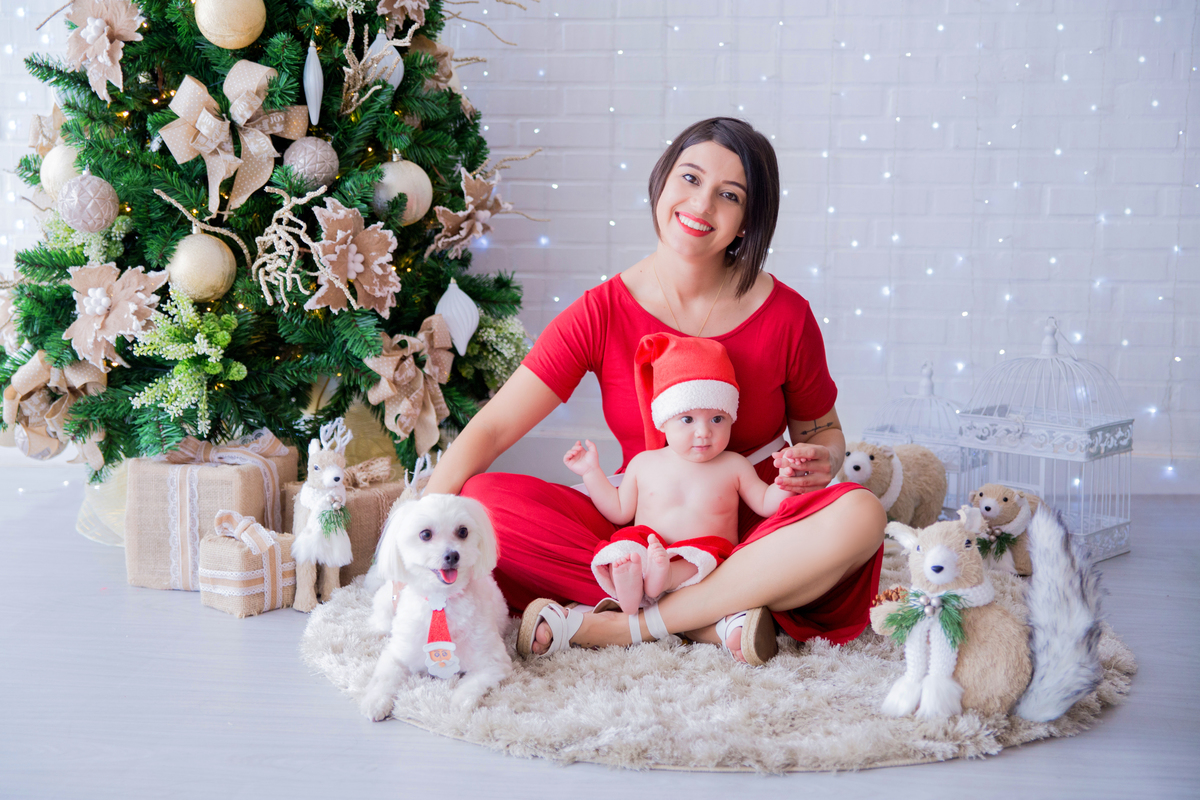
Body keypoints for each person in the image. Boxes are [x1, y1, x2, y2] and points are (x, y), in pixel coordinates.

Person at [424, 116, 886, 666]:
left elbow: (823, 433)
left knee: (862, 513)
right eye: (689, 179)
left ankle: (620, 628)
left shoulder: (787, 315)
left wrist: (822, 457)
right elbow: (496, 427)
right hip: (643, 542)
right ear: (662, 182)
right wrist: (418, 529)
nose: (701, 204)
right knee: (481, 505)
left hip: (762, 535)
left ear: (747, 222)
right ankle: (712, 622)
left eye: (728, 195)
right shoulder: (600, 312)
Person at [565, 332, 796, 616]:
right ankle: (629, 587)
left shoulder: (734, 465)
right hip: (650, 545)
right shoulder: (645, 463)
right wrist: (590, 472)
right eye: (687, 419)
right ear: (663, 422)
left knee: (711, 554)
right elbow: (619, 511)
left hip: (706, 558)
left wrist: (787, 477)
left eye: (717, 418)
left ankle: (665, 578)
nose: (704, 432)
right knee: (626, 546)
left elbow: (766, 503)